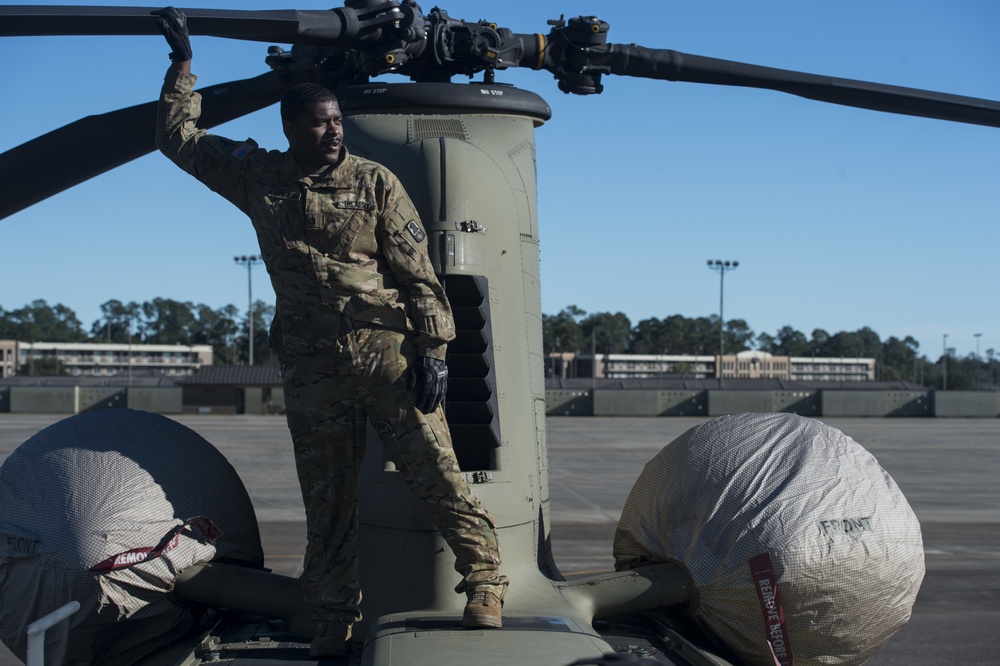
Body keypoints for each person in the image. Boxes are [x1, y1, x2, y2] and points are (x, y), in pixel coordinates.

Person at [152, 7, 508, 659]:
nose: (335, 131)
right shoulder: (257, 175)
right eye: (322, 122)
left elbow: (418, 274)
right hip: (313, 372)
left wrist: (432, 350)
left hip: (388, 359)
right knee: (327, 502)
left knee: (437, 475)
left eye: (338, 120)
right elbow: (179, 140)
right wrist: (181, 67)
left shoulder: (375, 184)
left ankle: (485, 582)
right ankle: (336, 614)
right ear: (292, 128)